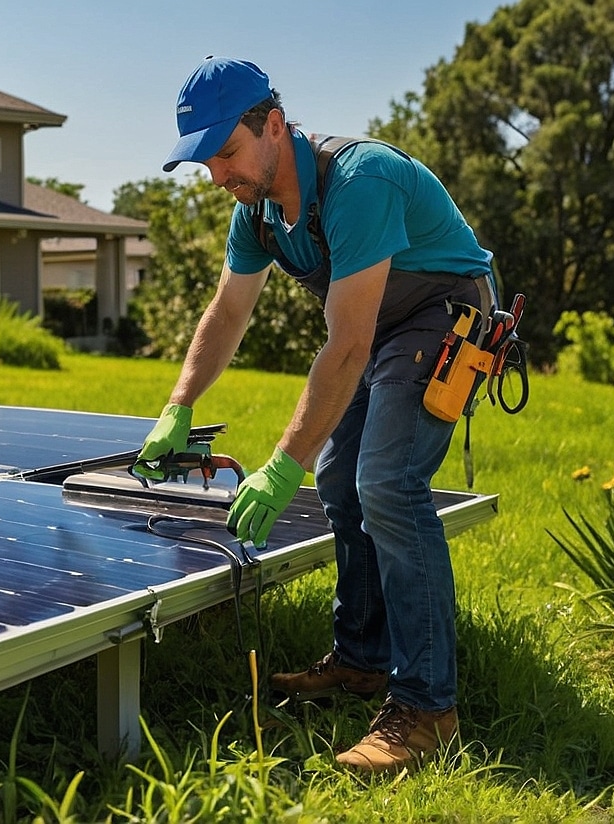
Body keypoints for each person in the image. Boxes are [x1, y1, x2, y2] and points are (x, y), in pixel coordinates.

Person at [135, 56, 497, 774]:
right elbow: (228, 311)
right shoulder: (258, 213)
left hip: (445, 313)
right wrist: (178, 405)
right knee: (340, 483)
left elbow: (347, 344)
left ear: (273, 125)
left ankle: (426, 710)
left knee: (388, 482)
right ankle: (362, 660)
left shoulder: (360, 182)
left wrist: (279, 465)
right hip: (380, 330)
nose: (218, 176)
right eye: (206, 162)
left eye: (227, 154)